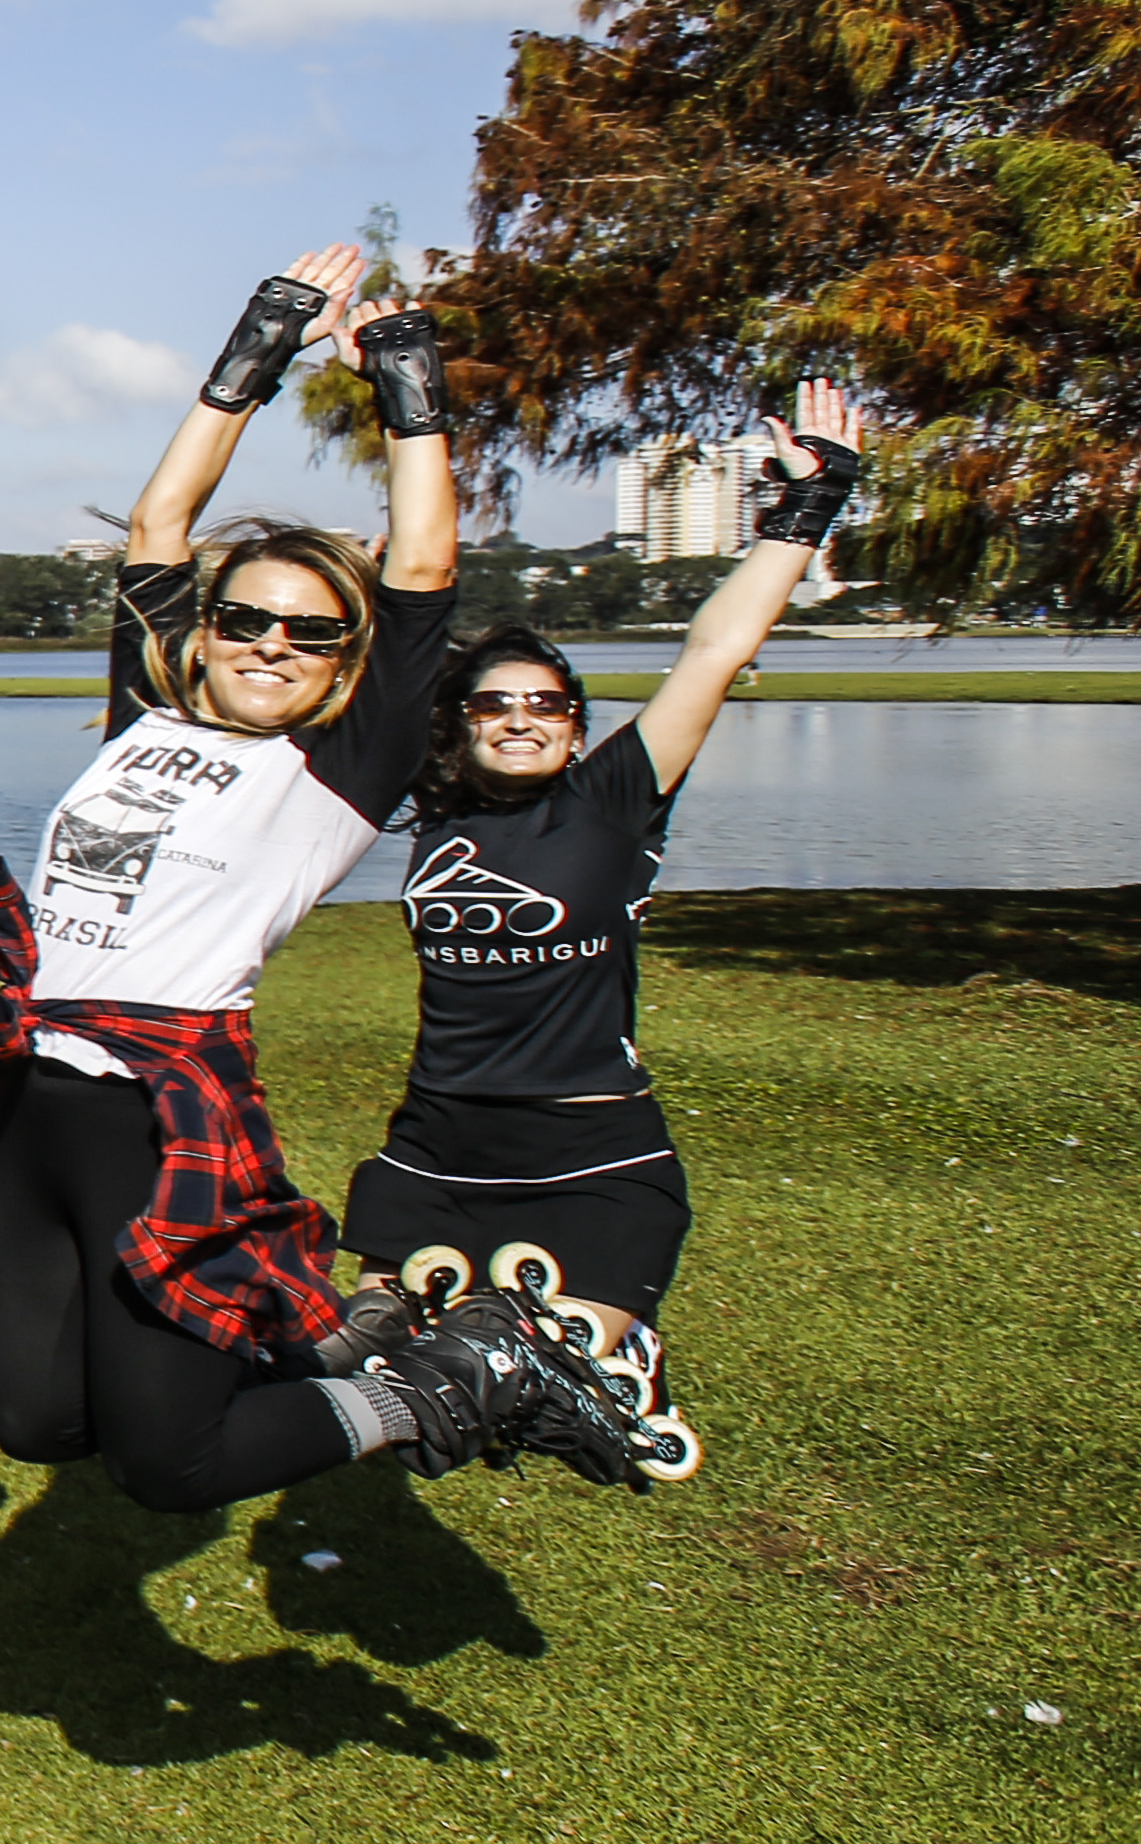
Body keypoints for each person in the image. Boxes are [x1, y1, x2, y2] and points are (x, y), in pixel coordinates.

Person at [0, 249, 644, 1526]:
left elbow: (422, 567)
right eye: (247, 619)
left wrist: (406, 382)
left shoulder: (335, 766)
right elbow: (157, 528)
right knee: (38, 1423)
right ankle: (303, 1340)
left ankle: (448, 1381)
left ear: (344, 662)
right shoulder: (149, 714)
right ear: (205, 630)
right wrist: (259, 344)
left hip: (161, 1110)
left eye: (310, 633)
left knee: (171, 1469)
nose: (270, 646)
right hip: (38, 1104)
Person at [339, 382, 866, 1480]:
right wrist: (371, 582)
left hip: (587, 1150)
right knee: (366, 1364)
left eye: (547, 705)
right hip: (434, 1146)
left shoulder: (614, 797)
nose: (522, 718)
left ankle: (608, 1376)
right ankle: (570, 1386)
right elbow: (393, 637)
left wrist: (806, 511)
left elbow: (712, 652)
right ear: (461, 721)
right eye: (495, 704)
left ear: (577, 726)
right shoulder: (431, 806)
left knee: (498, 1375)